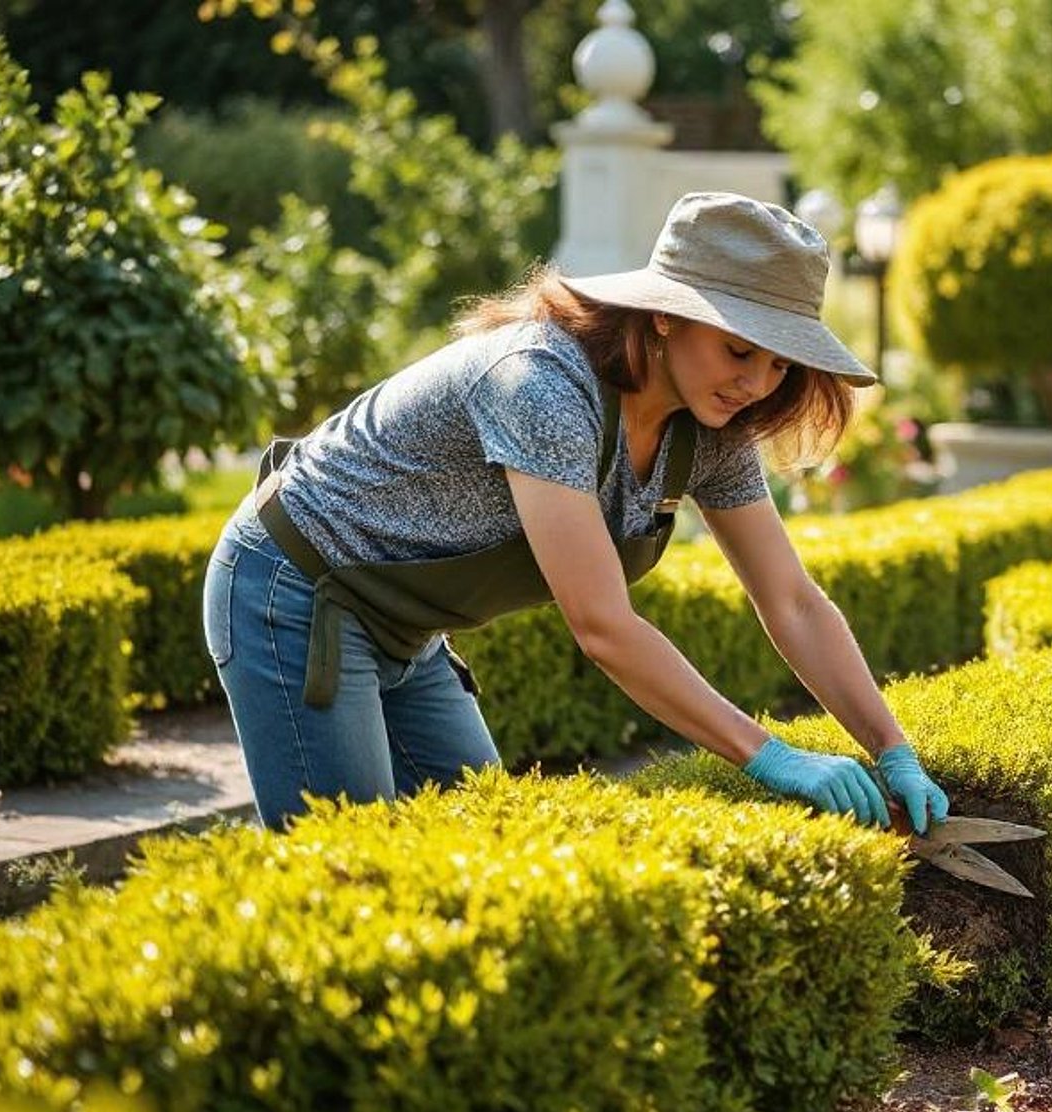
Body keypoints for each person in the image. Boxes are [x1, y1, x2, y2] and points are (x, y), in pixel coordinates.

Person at [202, 192, 950, 834]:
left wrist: (892, 748)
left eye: (780, 361)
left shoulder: (708, 423)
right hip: (294, 593)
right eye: (738, 350)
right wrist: (773, 756)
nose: (757, 383)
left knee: (484, 856)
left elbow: (790, 600)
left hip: (408, 627)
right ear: (666, 319)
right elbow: (603, 626)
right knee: (354, 881)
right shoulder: (540, 384)